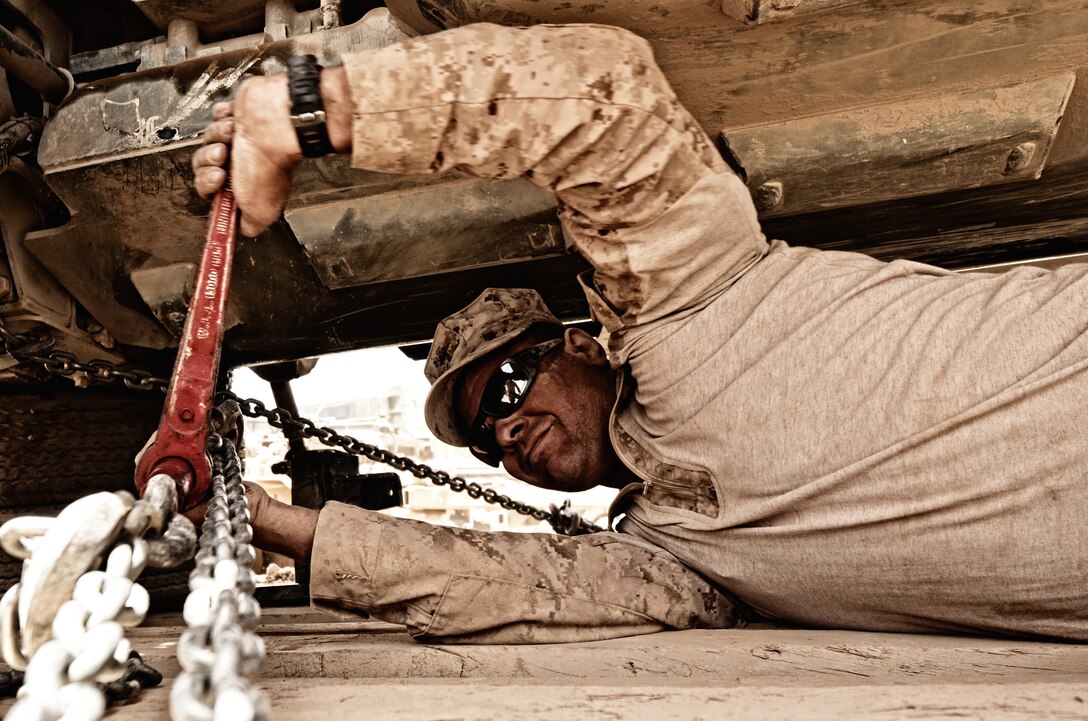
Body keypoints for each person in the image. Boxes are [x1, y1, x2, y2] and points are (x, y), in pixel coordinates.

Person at [192, 22, 1088, 643]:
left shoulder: (695, 310)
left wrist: (311, 113)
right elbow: (520, 586)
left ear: (581, 346)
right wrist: (277, 526)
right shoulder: (672, 557)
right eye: (485, 443)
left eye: (507, 388)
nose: (507, 435)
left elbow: (603, 99)